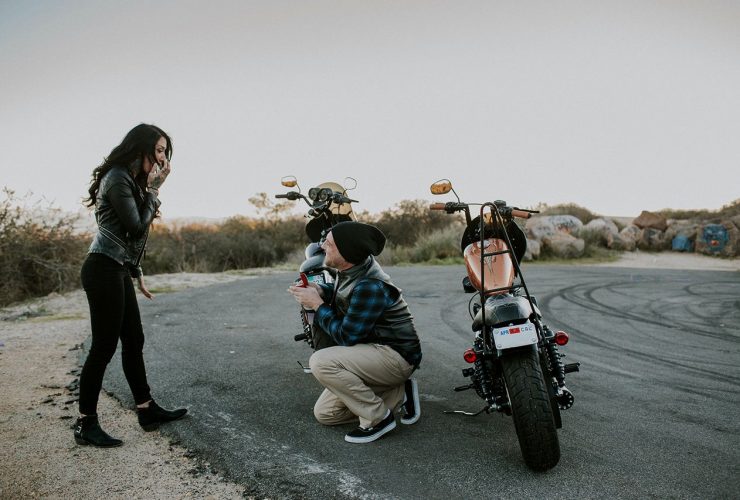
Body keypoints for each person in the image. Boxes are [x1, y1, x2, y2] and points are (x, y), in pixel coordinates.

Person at [75, 124, 187, 447]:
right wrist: (154, 192)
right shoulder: (117, 179)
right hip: (101, 269)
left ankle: (146, 409)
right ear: (142, 148)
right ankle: (85, 423)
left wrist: (136, 272)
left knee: (133, 339)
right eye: (160, 150)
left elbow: (130, 239)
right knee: (103, 347)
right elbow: (136, 226)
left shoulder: (132, 181)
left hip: (117, 269)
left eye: (167, 151)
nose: (164, 158)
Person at [288, 221, 422, 444]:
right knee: (326, 414)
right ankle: (398, 392)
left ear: (346, 252)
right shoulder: (351, 268)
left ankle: (378, 419)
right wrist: (321, 290)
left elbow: (347, 336)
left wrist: (318, 305)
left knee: (321, 362)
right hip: (371, 351)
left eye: (329, 244)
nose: (322, 247)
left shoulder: (371, 284)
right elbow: (345, 296)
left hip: (395, 355)